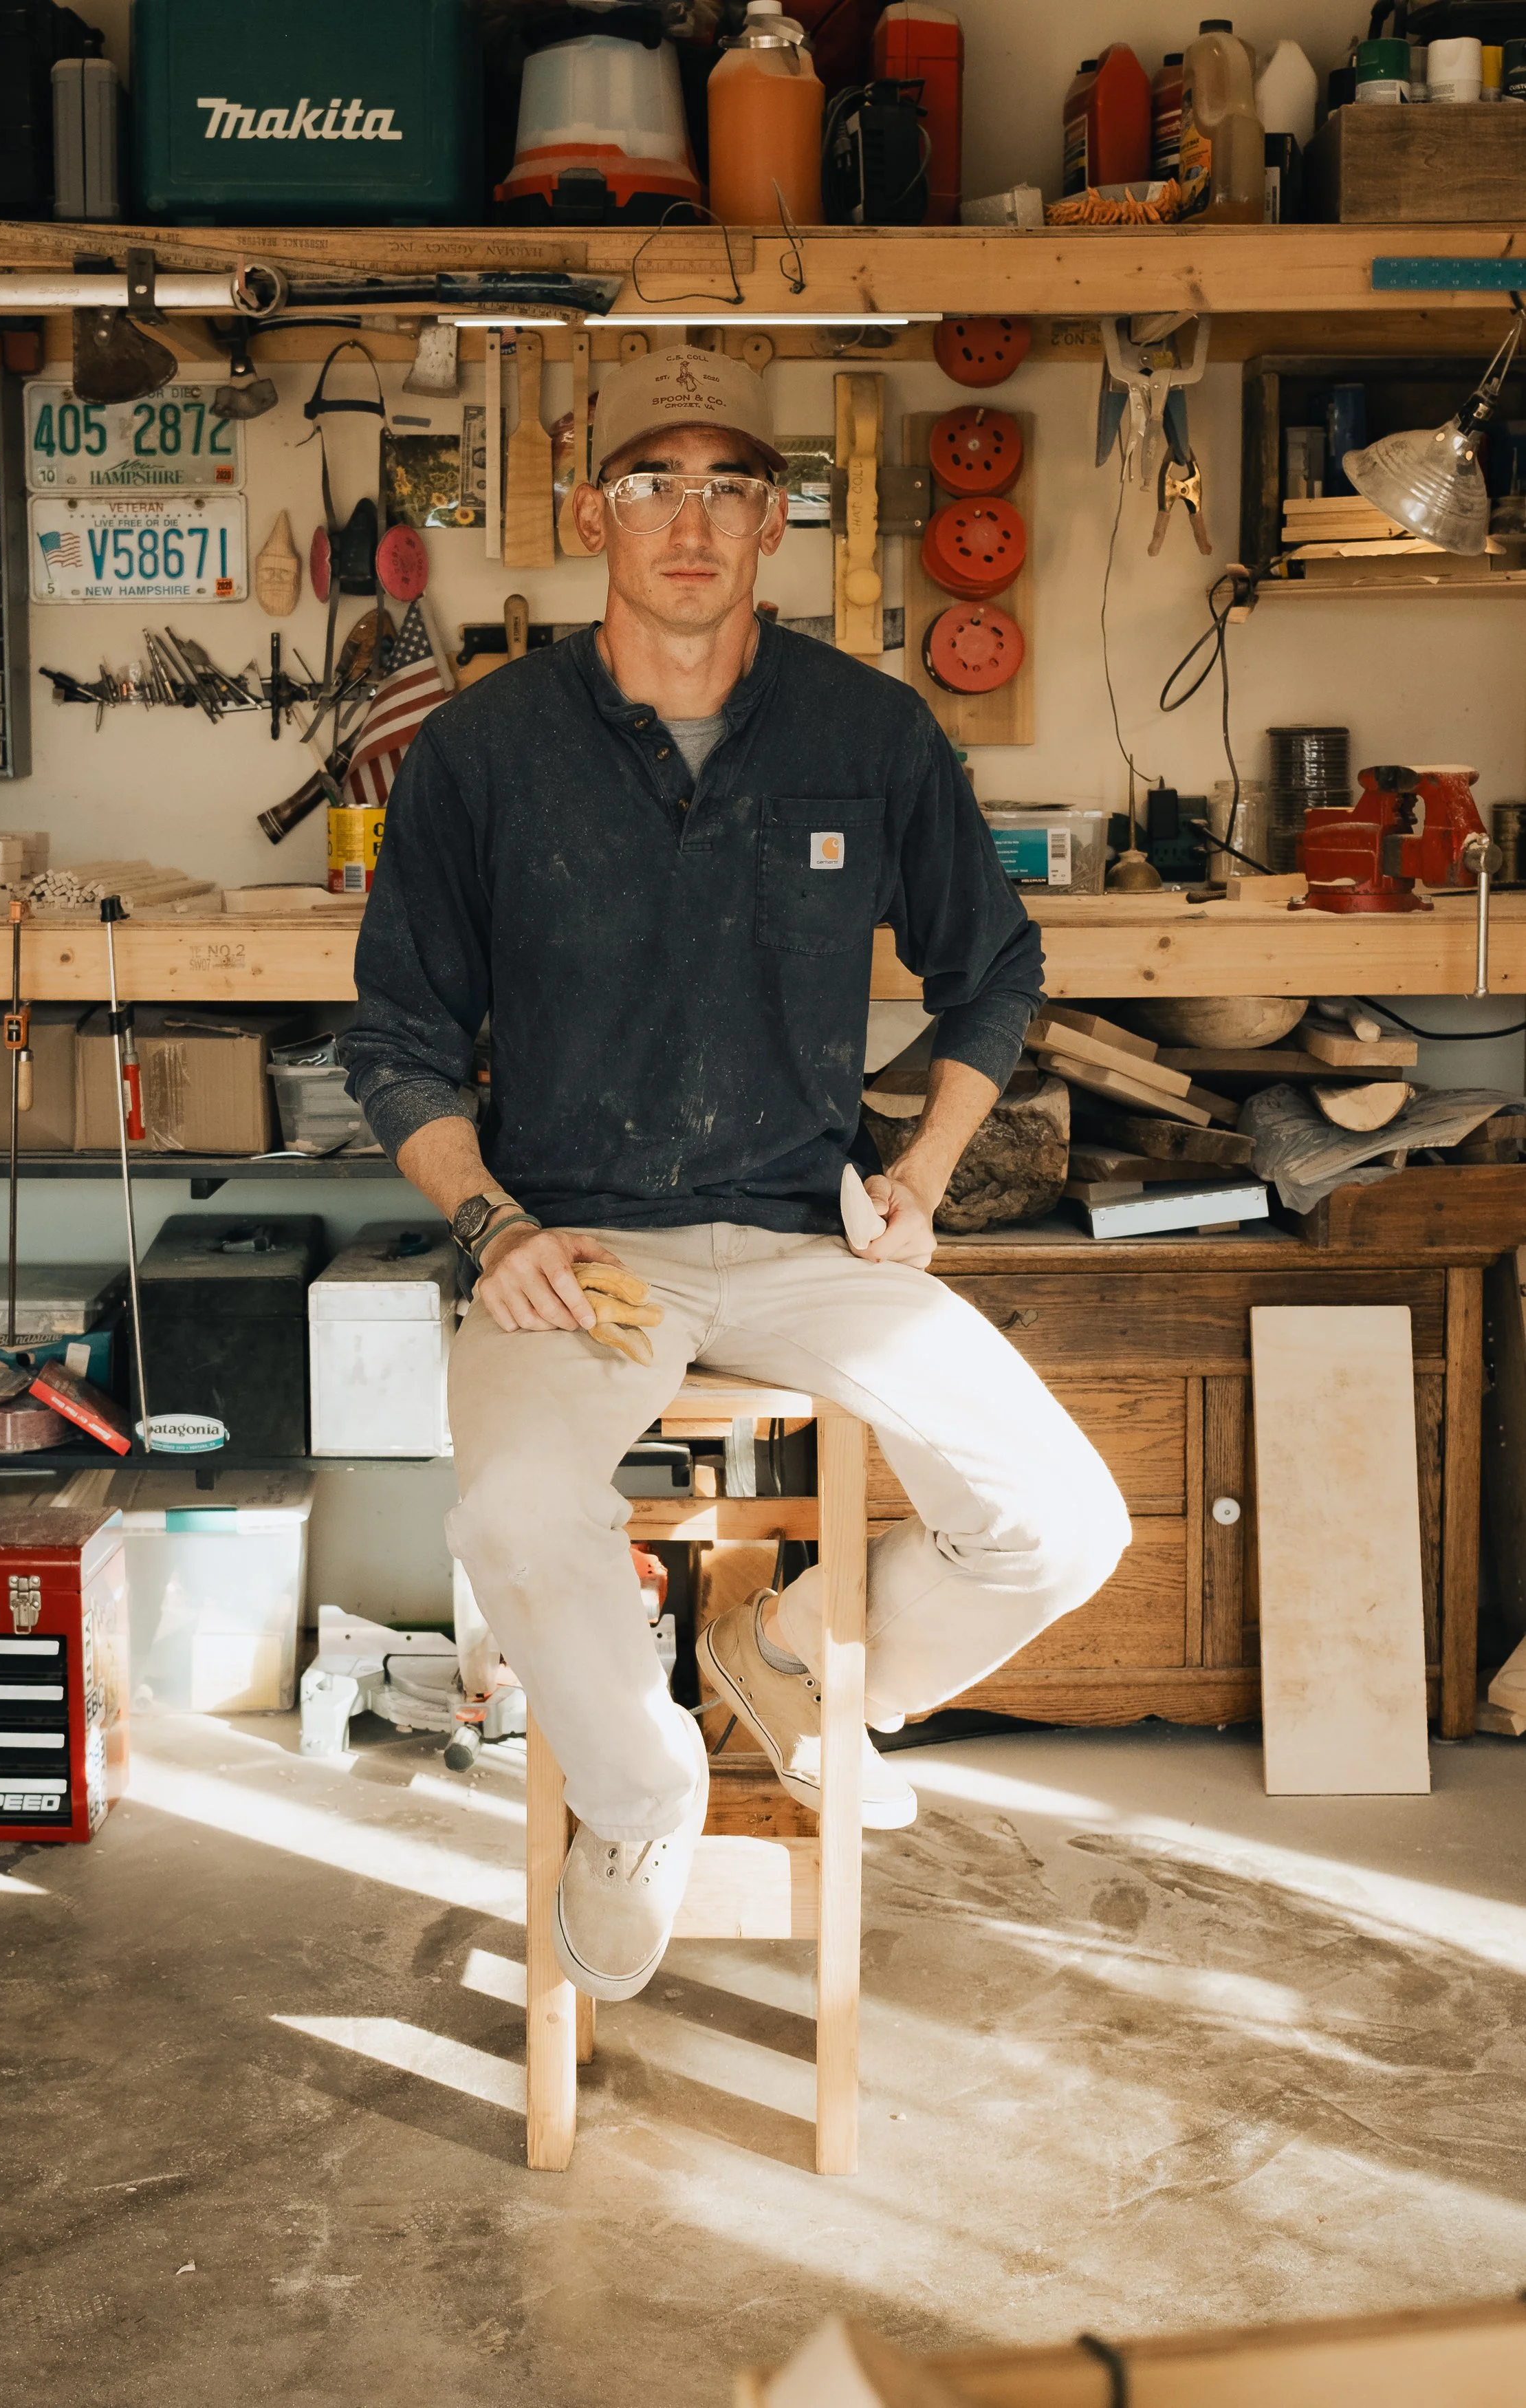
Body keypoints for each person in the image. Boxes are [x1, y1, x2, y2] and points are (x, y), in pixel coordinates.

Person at [340, 345, 1130, 2004]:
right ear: (592, 515)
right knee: (509, 1511)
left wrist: (921, 1172)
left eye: (725, 486)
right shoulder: (486, 750)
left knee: (1061, 1523)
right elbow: (398, 1037)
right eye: (652, 484)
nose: (687, 522)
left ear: (775, 520)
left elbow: (993, 967)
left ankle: (793, 1662)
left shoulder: (867, 731)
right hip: (575, 1245)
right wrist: (492, 1223)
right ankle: (642, 1795)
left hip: (803, 1236)